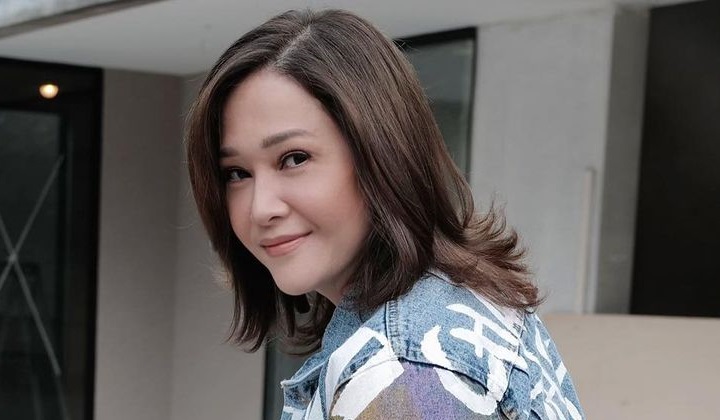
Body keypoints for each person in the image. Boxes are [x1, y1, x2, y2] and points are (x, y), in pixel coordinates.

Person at [185, 8, 584, 420]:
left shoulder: (403, 371)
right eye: (237, 173)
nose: (261, 208)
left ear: (381, 155)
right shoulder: (448, 309)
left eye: (294, 158)